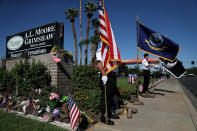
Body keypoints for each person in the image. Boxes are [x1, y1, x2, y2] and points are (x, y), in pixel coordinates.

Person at [96, 49, 119, 125]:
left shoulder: (112, 50)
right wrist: (103, 74)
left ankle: (109, 114)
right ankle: (104, 116)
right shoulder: (101, 50)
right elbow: (99, 63)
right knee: (106, 97)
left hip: (113, 76)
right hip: (106, 75)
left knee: (111, 96)